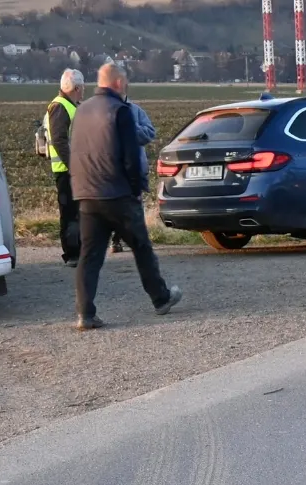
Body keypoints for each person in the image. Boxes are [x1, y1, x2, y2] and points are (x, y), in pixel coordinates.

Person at [70, 64, 181, 330]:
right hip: (118, 194)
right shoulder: (120, 111)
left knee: (89, 256)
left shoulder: (81, 110)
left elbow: (74, 150)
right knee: (141, 248)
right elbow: (131, 155)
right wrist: (136, 186)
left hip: (87, 195)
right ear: (118, 83)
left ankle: (85, 313)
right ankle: (160, 298)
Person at [45, 69, 84, 268]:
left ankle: (79, 250)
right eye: (82, 88)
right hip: (66, 171)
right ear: (77, 88)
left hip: (72, 169)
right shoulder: (60, 107)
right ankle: (72, 253)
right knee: (69, 213)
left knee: (77, 212)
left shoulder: (69, 105)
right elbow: (59, 140)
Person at [111, 98, 157, 255]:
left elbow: (150, 133)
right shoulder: (103, 111)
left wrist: (131, 128)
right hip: (113, 169)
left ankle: (139, 240)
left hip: (135, 168)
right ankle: (116, 239)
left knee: (136, 206)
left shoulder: (136, 111)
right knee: (116, 207)